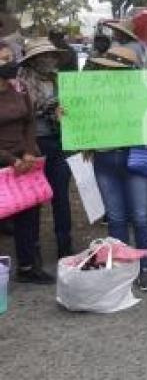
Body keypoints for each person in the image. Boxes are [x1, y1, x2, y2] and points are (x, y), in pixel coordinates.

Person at [85, 46, 147, 291]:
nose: (112, 73)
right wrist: (65, 115)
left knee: (140, 216)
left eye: (119, 69)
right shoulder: (91, 92)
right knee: (116, 218)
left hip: (135, 158)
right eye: (108, 68)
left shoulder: (145, 93)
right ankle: (121, 270)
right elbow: (77, 118)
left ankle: (145, 269)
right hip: (104, 161)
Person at [0, 41, 53, 284]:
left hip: (25, 161)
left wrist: (29, 151)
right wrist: (10, 160)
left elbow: (30, 121)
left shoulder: (19, 88)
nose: (9, 64)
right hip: (4, 162)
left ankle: (28, 266)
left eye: (10, 58)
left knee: (29, 214)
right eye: (3, 59)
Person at [18, 38, 75, 258]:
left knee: (61, 195)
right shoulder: (21, 81)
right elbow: (25, 111)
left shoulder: (58, 79)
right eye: (44, 56)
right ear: (33, 60)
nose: (49, 59)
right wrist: (50, 108)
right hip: (33, 145)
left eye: (51, 55)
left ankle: (65, 246)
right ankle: (31, 253)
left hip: (57, 141)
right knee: (32, 200)